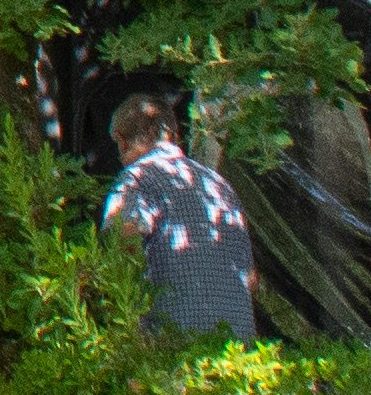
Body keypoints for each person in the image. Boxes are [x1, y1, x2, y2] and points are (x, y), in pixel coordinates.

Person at [101, 93, 258, 338]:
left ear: (122, 142)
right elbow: (250, 278)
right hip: (237, 356)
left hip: (176, 350)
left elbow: (122, 244)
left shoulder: (136, 179)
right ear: (175, 136)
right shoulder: (219, 185)